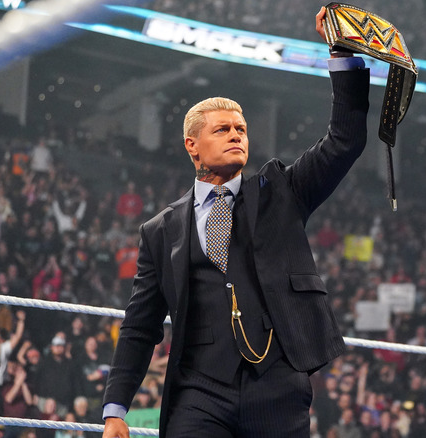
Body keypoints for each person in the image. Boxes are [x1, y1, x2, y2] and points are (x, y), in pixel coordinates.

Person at [102, 7, 369, 438]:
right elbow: (140, 323)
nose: (236, 136)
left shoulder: (281, 191)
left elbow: (345, 141)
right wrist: (116, 408)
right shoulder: (160, 230)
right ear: (193, 145)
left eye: (241, 129)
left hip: (277, 387)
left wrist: (342, 55)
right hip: (199, 391)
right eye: (223, 129)